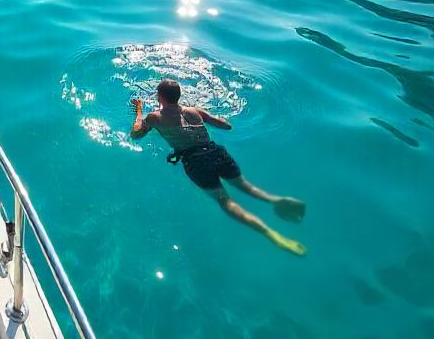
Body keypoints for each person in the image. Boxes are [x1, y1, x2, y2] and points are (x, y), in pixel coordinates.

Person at [131, 79, 307, 255]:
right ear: (179, 96)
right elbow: (226, 125)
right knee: (245, 186)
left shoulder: (155, 117)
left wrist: (139, 110)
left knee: (225, 200)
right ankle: (274, 200)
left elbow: (136, 135)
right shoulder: (194, 111)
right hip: (216, 152)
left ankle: (271, 234)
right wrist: (202, 115)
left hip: (196, 162)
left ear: (159, 97)